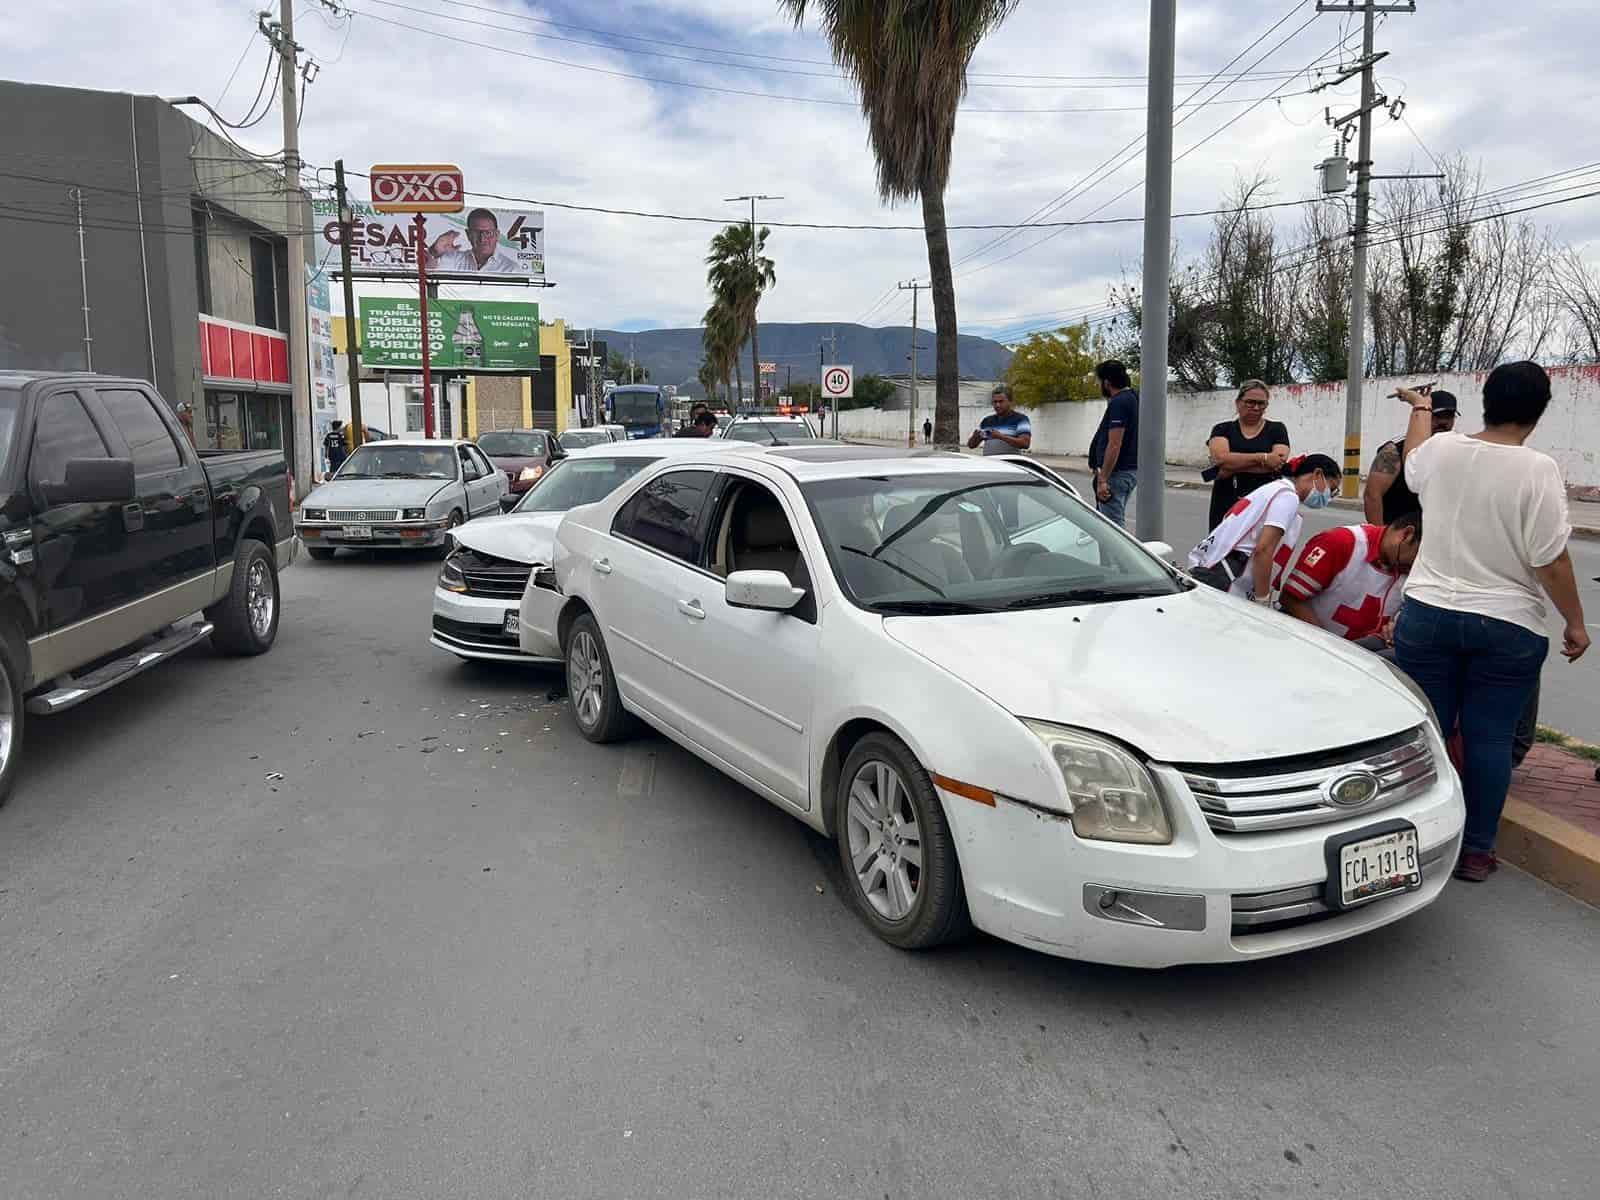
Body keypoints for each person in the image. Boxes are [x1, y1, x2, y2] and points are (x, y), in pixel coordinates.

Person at [1390, 364, 1589, 882]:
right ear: (1541, 411)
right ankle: (1476, 850)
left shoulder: (1442, 449)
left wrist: (1418, 407)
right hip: (1508, 624)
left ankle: (1419, 841)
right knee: (1490, 738)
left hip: (1429, 613)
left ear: (1485, 399)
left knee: (1428, 733)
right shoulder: (1537, 469)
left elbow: (1411, 459)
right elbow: (1552, 560)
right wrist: (1575, 622)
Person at [1187, 454, 1341, 602]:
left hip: (1212, 567)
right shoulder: (1288, 497)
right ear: (1318, 474)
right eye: (1331, 489)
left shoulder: (1275, 488)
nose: (1328, 498)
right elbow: (1264, 550)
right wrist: (1262, 598)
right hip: (1227, 577)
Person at [1277, 513, 1421, 646]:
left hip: (1362, 654)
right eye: (1417, 555)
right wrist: (1324, 643)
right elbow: (1290, 598)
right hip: (1308, 643)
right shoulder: (1341, 542)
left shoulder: (1410, 568)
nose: (1416, 564)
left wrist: (1394, 626)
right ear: (1406, 534)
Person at [1206, 380, 1290, 530]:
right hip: (1226, 500)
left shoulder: (1277, 429)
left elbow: (1277, 463)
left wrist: (1230, 467)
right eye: (1250, 402)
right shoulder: (1222, 429)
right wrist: (1263, 458)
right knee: (1223, 547)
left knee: (1260, 549)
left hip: (1264, 501)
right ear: (1238, 403)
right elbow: (1220, 459)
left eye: (1262, 403)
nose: (1256, 407)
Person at [1364, 389, 1458, 523]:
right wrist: (1379, 537)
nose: (1443, 422)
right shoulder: (1393, 450)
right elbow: (1372, 495)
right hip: (1397, 536)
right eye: (1437, 416)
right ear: (1425, 415)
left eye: (1448, 416)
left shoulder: (1454, 449)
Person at [1086, 360, 1138, 527]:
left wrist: (1103, 479)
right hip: (1126, 471)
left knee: (1112, 529)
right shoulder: (1133, 398)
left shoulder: (1119, 402)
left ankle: (1117, 555)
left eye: (1100, 382)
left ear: (1107, 382)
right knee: (1106, 525)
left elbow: (1114, 444)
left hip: (1117, 473)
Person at [425, 208, 519, 274]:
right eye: (477, 233)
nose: (482, 238)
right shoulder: (454, 259)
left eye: (488, 233)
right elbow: (428, 274)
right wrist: (434, 251)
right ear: (468, 235)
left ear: (497, 235)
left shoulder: (511, 269)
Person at [967, 384, 1032, 455]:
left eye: (1001, 401)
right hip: (990, 464)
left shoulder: (1021, 419)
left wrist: (1000, 437)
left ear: (1010, 402)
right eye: (995, 402)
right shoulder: (987, 421)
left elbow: (1025, 444)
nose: (997, 405)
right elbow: (971, 445)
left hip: (1010, 464)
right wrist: (975, 437)